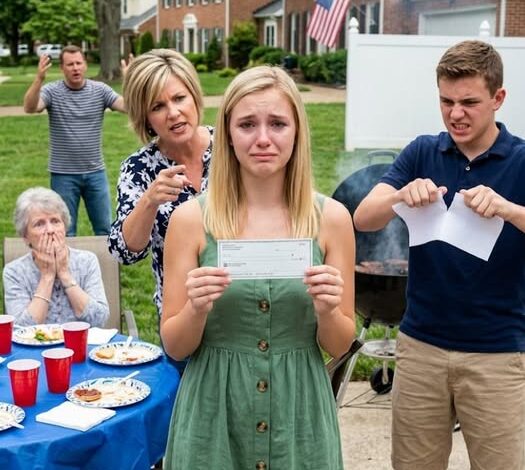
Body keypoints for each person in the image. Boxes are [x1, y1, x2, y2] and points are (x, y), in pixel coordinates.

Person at [160, 65, 356, 469]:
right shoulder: (190, 220)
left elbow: (339, 345)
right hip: (214, 417)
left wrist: (327, 311)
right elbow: (175, 346)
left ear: (297, 132)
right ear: (228, 134)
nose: (263, 138)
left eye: (278, 124)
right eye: (247, 124)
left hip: (298, 418)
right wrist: (195, 309)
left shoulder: (333, 219)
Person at [354, 40, 525, 470]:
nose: (455, 114)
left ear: (498, 98)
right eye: (446, 101)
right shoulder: (422, 151)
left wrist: (508, 209)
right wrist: (400, 194)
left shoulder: (521, 160)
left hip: (498, 353)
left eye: (469, 102)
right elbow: (363, 217)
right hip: (420, 347)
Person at [108, 49, 212, 356]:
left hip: (240, 310)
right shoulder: (138, 168)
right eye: (158, 106)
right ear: (146, 118)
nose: (174, 113)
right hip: (180, 320)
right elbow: (124, 251)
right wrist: (149, 201)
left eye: (179, 98)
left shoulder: (232, 148)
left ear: (194, 96)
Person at [23, 45, 126, 237]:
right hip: (63, 175)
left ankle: (105, 259)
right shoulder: (52, 91)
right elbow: (30, 107)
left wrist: (130, 80)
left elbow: (128, 107)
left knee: (105, 230)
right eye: (70, 64)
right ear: (62, 68)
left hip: (95, 172)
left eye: (79, 63)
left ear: (85, 65)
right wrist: (39, 79)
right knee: (65, 231)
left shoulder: (100, 90)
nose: (75, 68)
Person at [3, 187, 109, 327]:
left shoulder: (87, 261)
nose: (50, 230)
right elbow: (20, 328)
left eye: (55, 221)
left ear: (65, 227)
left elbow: (99, 319)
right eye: (39, 224)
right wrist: (47, 276)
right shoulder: (14, 271)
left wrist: (64, 273)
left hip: (82, 340)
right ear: (25, 236)